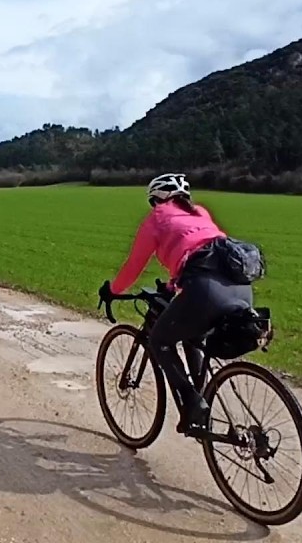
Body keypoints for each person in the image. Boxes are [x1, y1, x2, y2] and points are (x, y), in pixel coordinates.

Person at [98, 172, 255, 432]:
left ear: (158, 199)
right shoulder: (200, 213)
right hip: (240, 288)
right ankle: (202, 398)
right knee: (194, 333)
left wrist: (112, 290)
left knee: (159, 341)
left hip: (204, 289)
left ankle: (194, 402)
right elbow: (199, 255)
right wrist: (173, 286)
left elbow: (134, 265)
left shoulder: (157, 218)